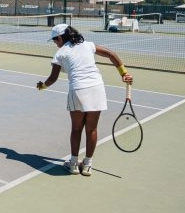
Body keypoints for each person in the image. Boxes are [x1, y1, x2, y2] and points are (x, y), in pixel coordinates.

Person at [36, 24, 133, 176]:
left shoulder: (60, 53)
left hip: (78, 90)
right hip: (97, 88)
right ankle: (87, 165)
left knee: (76, 129)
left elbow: (53, 78)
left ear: (60, 38)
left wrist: (42, 86)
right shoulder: (88, 45)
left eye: (55, 40)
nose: (55, 43)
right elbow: (111, 54)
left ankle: (74, 164)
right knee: (92, 129)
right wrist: (123, 73)